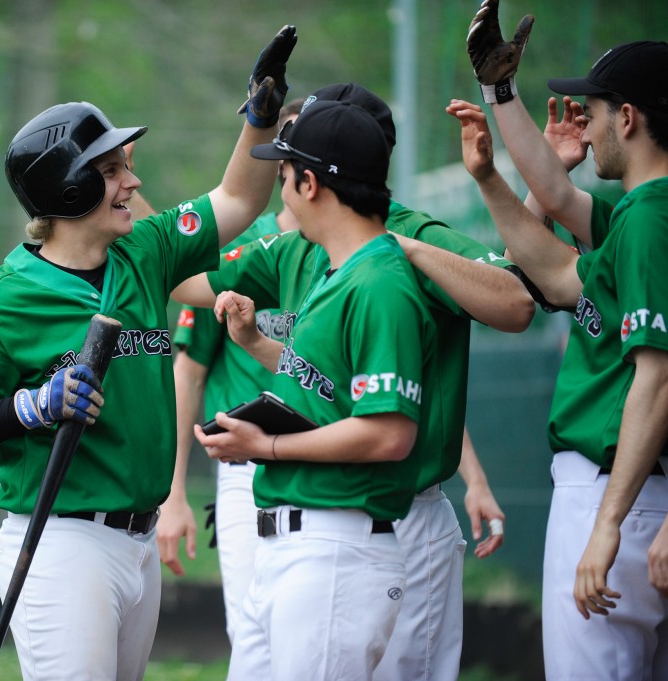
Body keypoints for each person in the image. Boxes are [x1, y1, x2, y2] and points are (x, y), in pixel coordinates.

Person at [0, 25, 296, 681]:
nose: (133, 179)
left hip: (137, 540)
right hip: (62, 542)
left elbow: (238, 198)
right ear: (69, 190)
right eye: (113, 169)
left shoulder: (145, 252)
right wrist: (31, 406)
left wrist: (259, 118)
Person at [172, 83, 533, 681]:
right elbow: (188, 283)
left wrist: (407, 249)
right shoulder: (305, 249)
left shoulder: (393, 259)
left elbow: (518, 306)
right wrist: (258, 345)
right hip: (311, 510)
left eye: (289, 166)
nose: (282, 183)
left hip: (392, 510)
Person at [190, 98, 443, 680]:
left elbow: (388, 434)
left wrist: (265, 446)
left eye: (282, 176)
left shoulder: (380, 283)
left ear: (310, 182)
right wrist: (256, 344)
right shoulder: (339, 270)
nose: (278, 192)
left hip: (336, 546)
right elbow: (333, 395)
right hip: (301, 540)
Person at [463, 7, 668, 676]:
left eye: (597, 106)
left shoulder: (648, 225)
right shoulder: (639, 214)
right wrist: (499, 105)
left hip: (618, 494)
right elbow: (553, 247)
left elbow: (658, 379)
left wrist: (608, 523)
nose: (589, 119)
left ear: (628, 118)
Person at [157, 96, 304, 643]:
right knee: (255, 639)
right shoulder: (244, 245)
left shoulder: (359, 252)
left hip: (333, 468)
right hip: (246, 471)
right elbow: (188, 373)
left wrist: (473, 477)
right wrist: (173, 495)